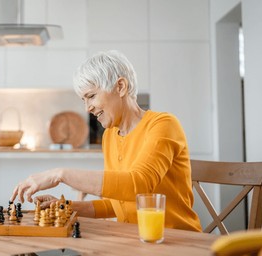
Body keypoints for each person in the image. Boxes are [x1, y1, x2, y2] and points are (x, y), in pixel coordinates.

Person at [10, 50, 202, 232]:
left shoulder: (163, 124)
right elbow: (118, 202)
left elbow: (139, 184)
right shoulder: (110, 136)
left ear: (120, 87)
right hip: (133, 242)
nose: (87, 108)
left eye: (91, 96)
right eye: (83, 99)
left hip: (174, 241)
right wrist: (65, 206)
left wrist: (58, 174)